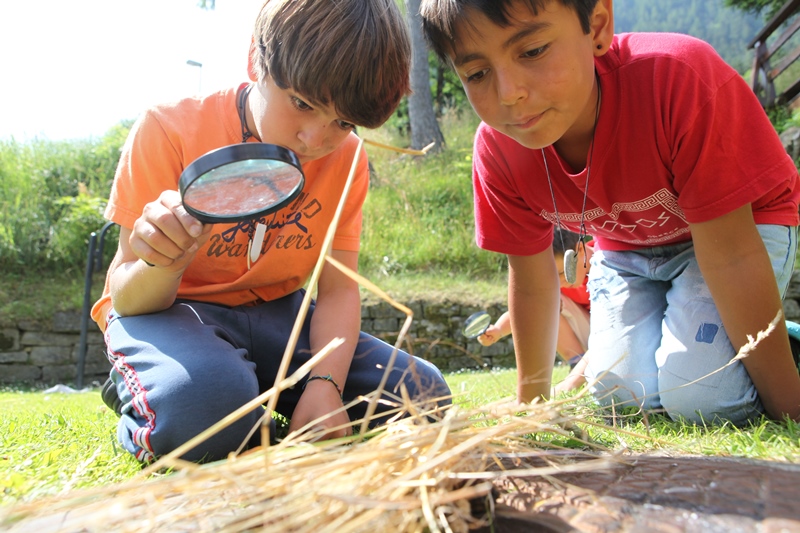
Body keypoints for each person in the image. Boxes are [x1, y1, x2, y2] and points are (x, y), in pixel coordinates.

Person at [92, 0, 451, 464]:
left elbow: (340, 291)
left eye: (343, 122)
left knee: (421, 397)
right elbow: (125, 298)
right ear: (255, 61)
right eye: (302, 103)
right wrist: (166, 261)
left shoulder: (347, 160)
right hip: (171, 315)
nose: (314, 139)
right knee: (203, 408)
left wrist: (325, 385)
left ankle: (238, 392)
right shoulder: (169, 129)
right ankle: (160, 391)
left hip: (277, 315)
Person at [420, 0, 800, 425]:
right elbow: (531, 283)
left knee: (701, 398)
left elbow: (732, 258)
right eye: (476, 74)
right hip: (628, 252)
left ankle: (785, 349)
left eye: (532, 51)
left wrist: (791, 409)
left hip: (737, 231)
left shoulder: (676, 79)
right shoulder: (499, 150)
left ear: (597, 25)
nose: (510, 94)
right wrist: (532, 407)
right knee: (618, 396)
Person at [478, 228, 592, 370]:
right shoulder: (555, 281)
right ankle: (577, 363)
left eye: (562, 273)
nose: (559, 282)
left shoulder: (608, 262)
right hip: (589, 336)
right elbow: (530, 307)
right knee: (548, 300)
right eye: (553, 277)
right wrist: (498, 330)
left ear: (580, 249)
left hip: (612, 333)